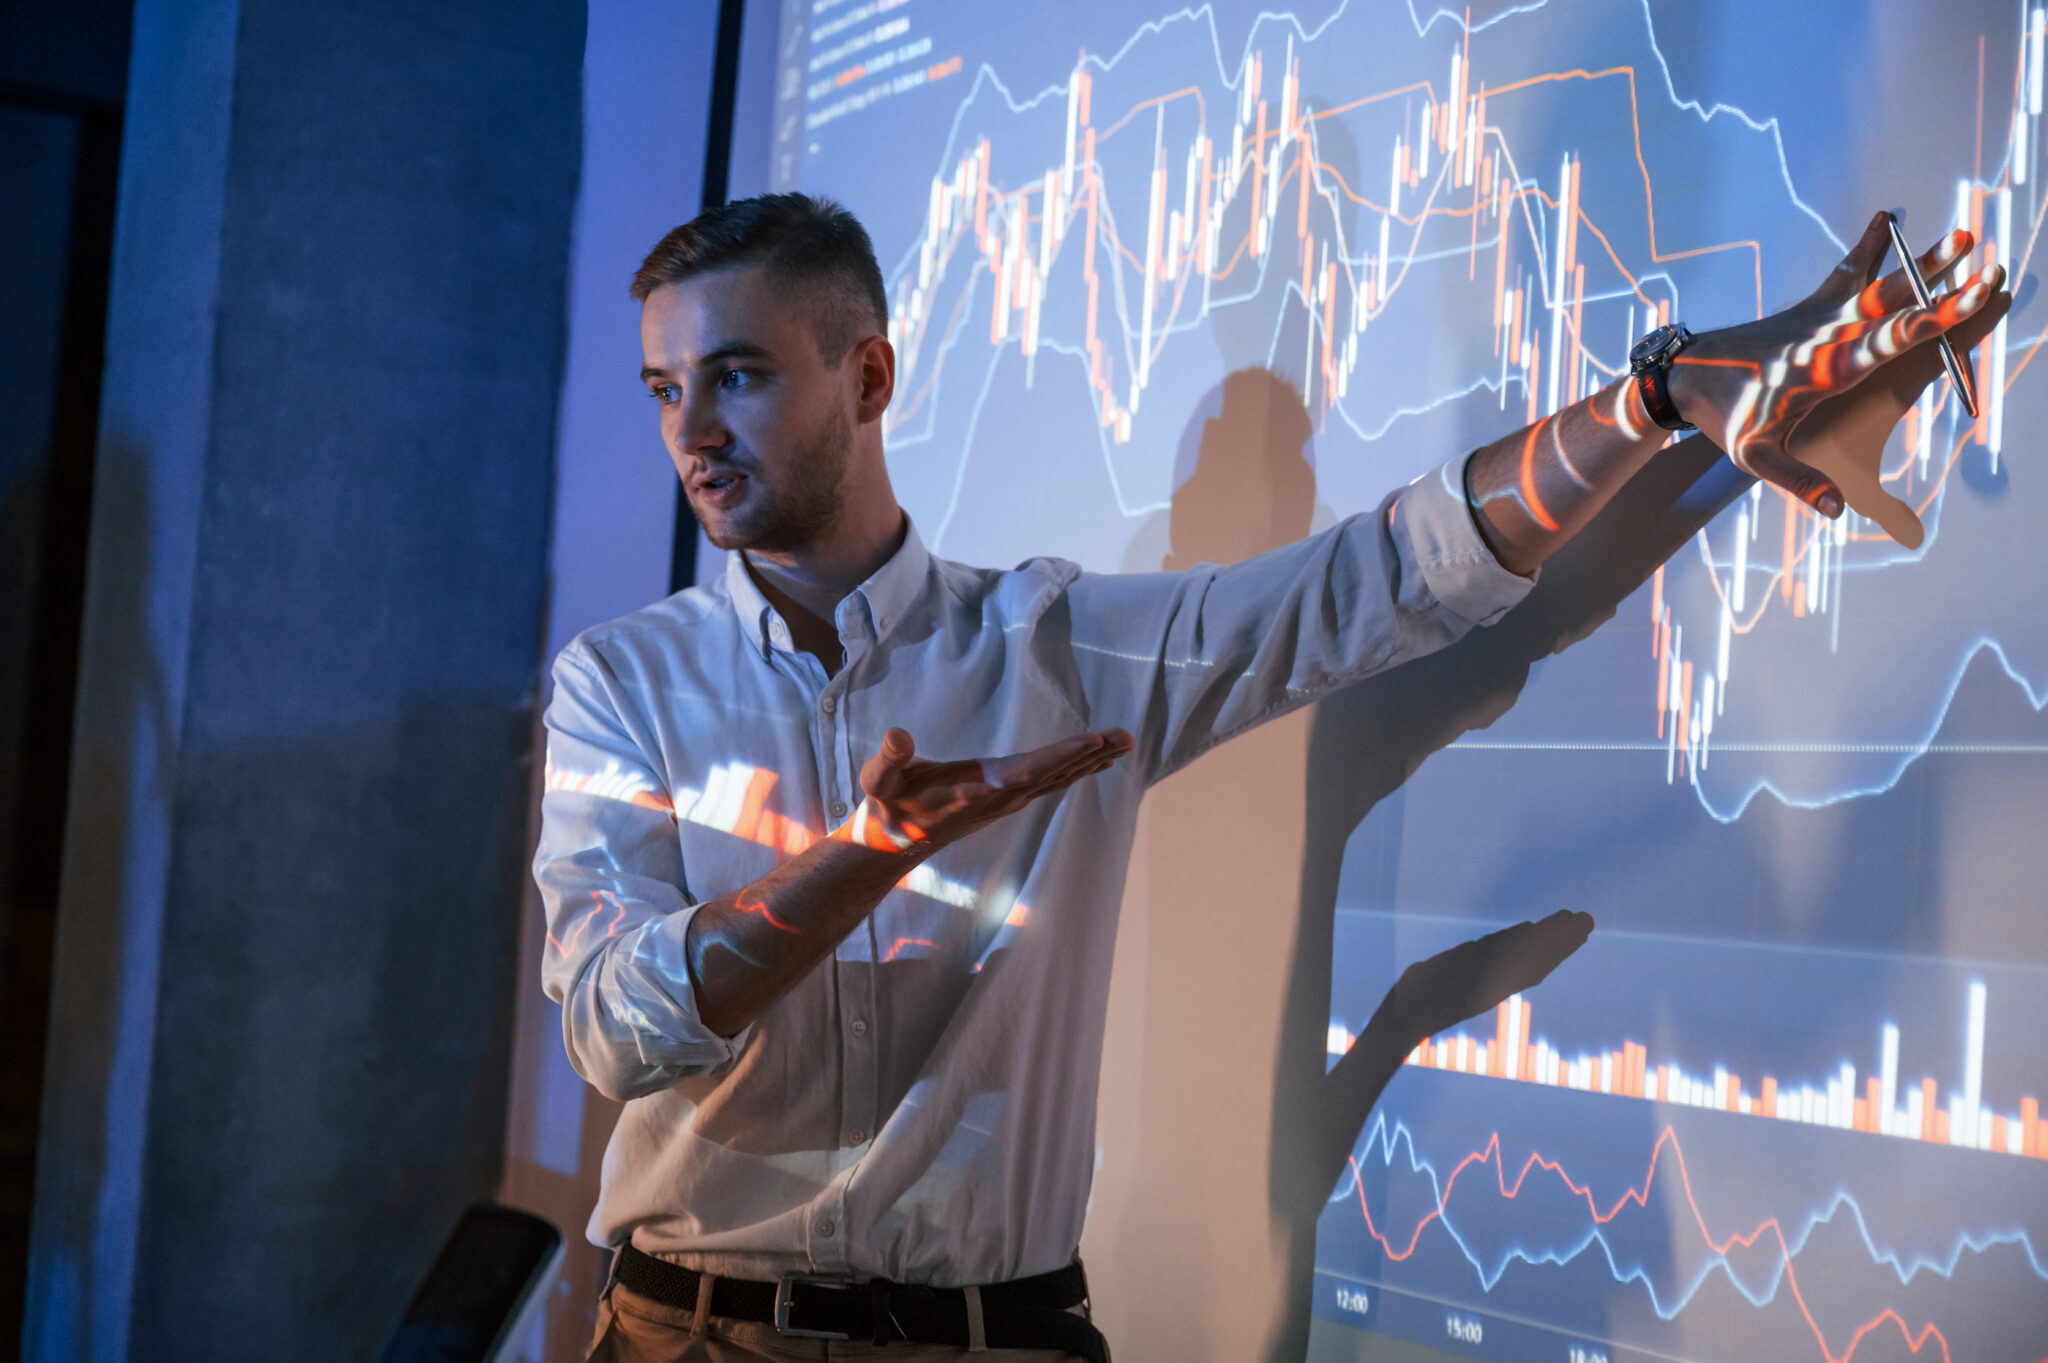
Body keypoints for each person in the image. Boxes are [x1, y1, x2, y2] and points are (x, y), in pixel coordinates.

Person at [534, 193, 2003, 1361]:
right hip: (688, 1342)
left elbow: (1387, 576)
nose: (690, 432)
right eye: (667, 387)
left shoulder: (1055, 648)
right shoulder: (620, 687)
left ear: (868, 377)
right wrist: (860, 858)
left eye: (735, 375)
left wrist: (1661, 400)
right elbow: (616, 1032)